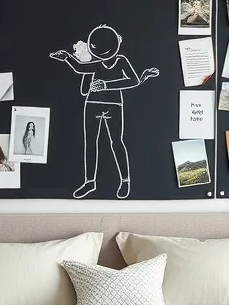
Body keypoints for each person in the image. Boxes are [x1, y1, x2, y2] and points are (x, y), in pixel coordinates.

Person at [51, 25, 159, 199]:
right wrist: (67, 58)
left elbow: (133, 80)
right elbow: (80, 69)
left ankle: (125, 180)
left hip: (113, 104)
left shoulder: (121, 60)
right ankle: (89, 182)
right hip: (92, 104)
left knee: (116, 142)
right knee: (90, 143)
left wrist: (106, 85)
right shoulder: (96, 64)